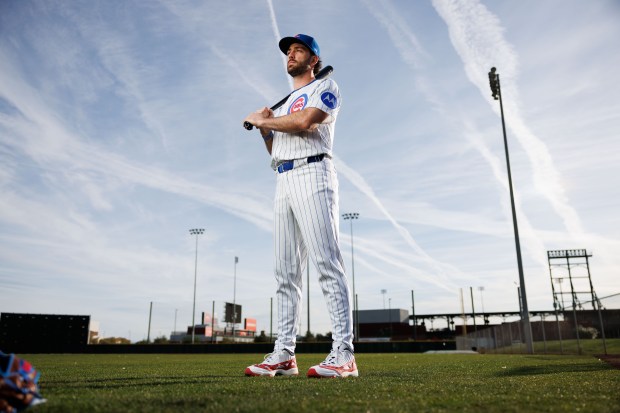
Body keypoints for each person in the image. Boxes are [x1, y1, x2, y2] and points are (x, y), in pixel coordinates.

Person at [243, 34, 358, 378]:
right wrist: (265, 129)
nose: (291, 55)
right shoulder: (281, 106)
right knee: (285, 273)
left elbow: (306, 122)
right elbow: (276, 149)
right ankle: (283, 354)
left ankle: (344, 354)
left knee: (327, 263)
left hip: (314, 173)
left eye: (299, 50)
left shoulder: (327, 86)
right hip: (283, 178)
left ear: (314, 60)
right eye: (288, 51)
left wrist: (264, 120)